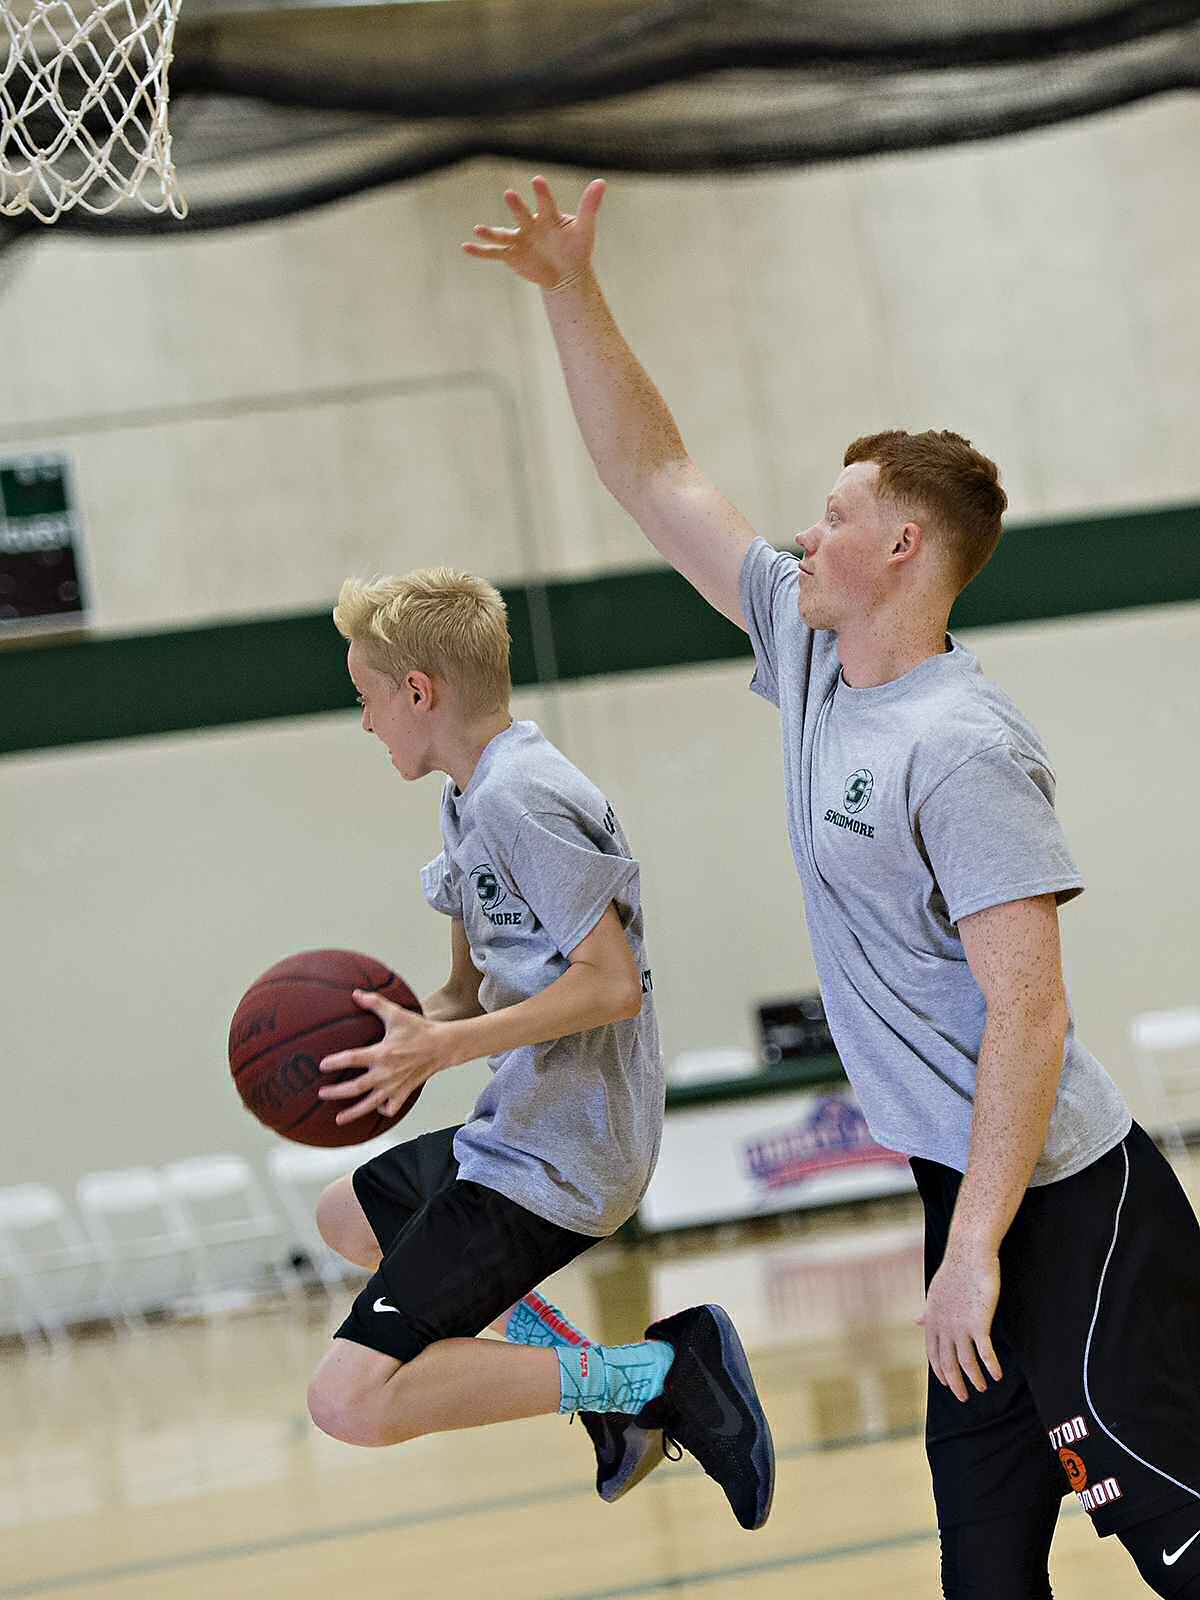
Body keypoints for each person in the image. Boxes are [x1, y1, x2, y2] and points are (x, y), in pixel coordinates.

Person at [463, 176, 1200, 1596]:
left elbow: (1030, 1018)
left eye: (834, 512)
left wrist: (976, 1247)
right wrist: (569, 291)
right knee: (986, 1574)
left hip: (1066, 1204)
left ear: (902, 549)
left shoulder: (964, 747)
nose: (804, 535)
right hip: (971, 1194)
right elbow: (655, 476)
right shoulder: (813, 662)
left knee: (1175, 1539)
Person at [303, 564, 775, 1532]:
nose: (364, 724)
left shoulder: (524, 796)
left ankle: (652, 1375)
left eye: (366, 698)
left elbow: (609, 984)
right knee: (348, 1214)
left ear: (418, 691)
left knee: (346, 1399)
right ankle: (612, 1396)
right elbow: (464, 991)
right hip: (517, 1130)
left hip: (562, 1157)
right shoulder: (471, 796)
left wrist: (446, 1045)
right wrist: (395, 1041)